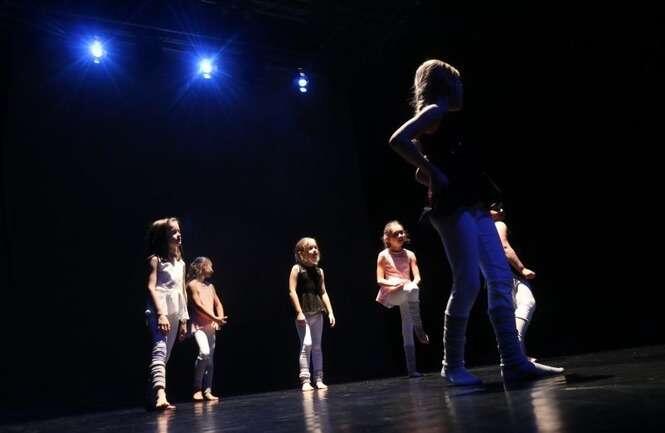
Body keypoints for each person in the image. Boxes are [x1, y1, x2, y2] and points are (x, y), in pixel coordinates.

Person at [388, 59, 563, 384]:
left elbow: (424, 168)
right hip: (453, 209)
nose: (462, 89)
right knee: (468, 282)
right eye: (457, 83)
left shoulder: (447, 118)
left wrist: (431, 171)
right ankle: (452, 366)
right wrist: (433, 172)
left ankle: (513, 360)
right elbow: (398, 140)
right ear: (444, 86)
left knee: (499, 278)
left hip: (474, 204)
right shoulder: (434, 111)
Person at [376, 220, 429, 377]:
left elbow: (417, 277)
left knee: (406, 326)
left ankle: (412, 369)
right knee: (411, 289)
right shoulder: (383, 255)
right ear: (388, 239)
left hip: (408, 291)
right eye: (396, 234)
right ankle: (419, 328)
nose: (400, 235)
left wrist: (411, 284)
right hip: (392, 293)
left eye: (401, 232)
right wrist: (395, 283)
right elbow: (379, 280)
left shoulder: (410, 254)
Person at [288, 237, 336, 391]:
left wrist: (330, 312)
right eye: (310, 248)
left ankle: (319, 378)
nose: (314, 250)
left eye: (316, 247)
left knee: (316, 346)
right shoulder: (297, 269)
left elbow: (323, 292)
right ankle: (305, 380)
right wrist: (299, 312)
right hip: (303, 314)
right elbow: (292, 291)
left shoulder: (319, 271)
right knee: (306, 344)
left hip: (317, 312)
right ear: (301, 253)